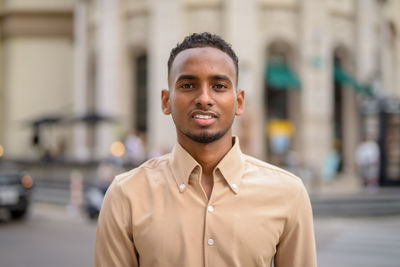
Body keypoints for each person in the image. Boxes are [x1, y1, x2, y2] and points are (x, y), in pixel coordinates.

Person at [94, 32, 316, 267]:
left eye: (219, 86)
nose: (204, 98)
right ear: (165, 101)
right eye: (188, 85)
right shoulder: (125, 195)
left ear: (239, 102)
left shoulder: (288, 193)